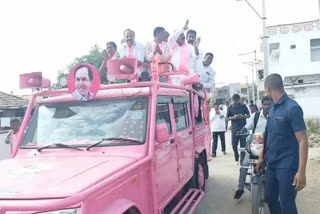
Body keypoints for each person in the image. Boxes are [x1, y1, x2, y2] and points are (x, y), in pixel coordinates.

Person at [256, 73, 308, 214]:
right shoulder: (272, 108)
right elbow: (269, 135)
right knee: (270, 197)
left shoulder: (292, 108)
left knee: (287, 204)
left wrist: (301, 172)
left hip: (287, 166)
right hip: (272, 163)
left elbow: (303, 140)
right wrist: (261, 156)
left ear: (268, 88)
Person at [233, 96, 272, 199]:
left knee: (270, 167)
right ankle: (240, 188)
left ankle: (272, 190)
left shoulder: (274, 117)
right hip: (256, 144)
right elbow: (248, 126)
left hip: (269, 146)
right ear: (262, 105)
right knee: (244, 165)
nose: (267, 106)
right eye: (265, 104)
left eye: (269, 104)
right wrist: (243, 130)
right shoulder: (255, 116)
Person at [168, 20, 200, 85]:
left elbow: (196, 57)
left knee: (184, 94)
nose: (183, 36)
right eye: (180, 35)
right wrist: (183, 29)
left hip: (186, 77)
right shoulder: (172, 46)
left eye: (183, 35)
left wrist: (196, 48)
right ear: (176, 37)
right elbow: (171, 39)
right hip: (173, 76)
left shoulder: (190, 47)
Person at [227, 94, 250, 164]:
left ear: (239, 99)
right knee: (234, 145)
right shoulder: (230, 107)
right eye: (235, 101)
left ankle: (242, 160)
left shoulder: (244, 106)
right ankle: (236, 155)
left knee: (242, 146)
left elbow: (249, 115)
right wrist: (233, 117)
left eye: (237, 100)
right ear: (233, 100)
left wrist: (243, 116)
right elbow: (226, 118)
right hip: (234, 129)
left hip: (243, 128)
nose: (236, 102)